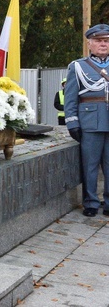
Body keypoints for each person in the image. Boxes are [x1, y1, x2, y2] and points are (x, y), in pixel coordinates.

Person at [64, 23, 109, 217]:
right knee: (89, 166)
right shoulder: (78, 67)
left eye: (106, 41)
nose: (103, 44)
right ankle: (90, 202)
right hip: (89, 122)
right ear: (89, 43)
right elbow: (70, 98)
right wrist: (72, 123)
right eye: (98, 41)